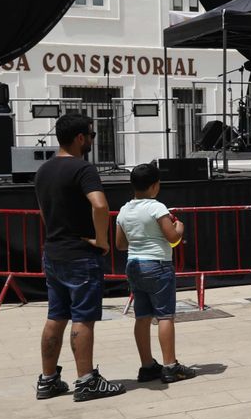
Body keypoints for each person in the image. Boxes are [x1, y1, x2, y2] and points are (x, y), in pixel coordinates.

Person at [34, 114, 122, 401]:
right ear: (81, 138)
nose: (93, 140)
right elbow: (100, 205)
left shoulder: (44, 170)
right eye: (92, 135)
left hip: (54, 251)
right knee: (83, 318)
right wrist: (102, 239)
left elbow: (44, 212)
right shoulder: (83, 169)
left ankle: (48, 380)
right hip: (80, 255)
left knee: (55, 317)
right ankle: (86, 381)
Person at [113, 163, 195, 384]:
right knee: (165, 315)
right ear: (155, 186)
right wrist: (180, 227)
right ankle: (170, 366)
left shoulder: (123, 210)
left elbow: (120, 244)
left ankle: (147, 365)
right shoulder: (157, 207)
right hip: (157, 264)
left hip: (134, 265)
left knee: (142, 316)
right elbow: (173, 238)